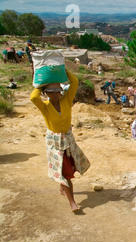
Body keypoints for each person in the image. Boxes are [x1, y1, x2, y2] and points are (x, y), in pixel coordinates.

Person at [30, 69, 90, 213]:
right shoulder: (45, 106)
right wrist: (40, 85)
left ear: (61, 91)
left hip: (68, 139)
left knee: (67, 166)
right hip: (54, 142)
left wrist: (61, 69)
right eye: (51, 92)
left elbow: (74, 81)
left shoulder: (66, 99)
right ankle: (72, 202)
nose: (55, 95)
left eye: (57, 91)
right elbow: (33, 97)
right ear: (46, 94)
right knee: (66, 173)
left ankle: (62, 187)